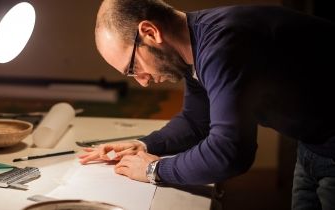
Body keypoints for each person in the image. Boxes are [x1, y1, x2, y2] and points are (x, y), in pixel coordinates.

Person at [78, 0, 335, 209]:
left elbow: (230, 153)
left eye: (134, 67)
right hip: (313, 145)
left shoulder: (223, 46)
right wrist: (144, 145)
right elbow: (196, 121)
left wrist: (153, 170)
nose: (143, 82)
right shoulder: (196, 47)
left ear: (150, 32)